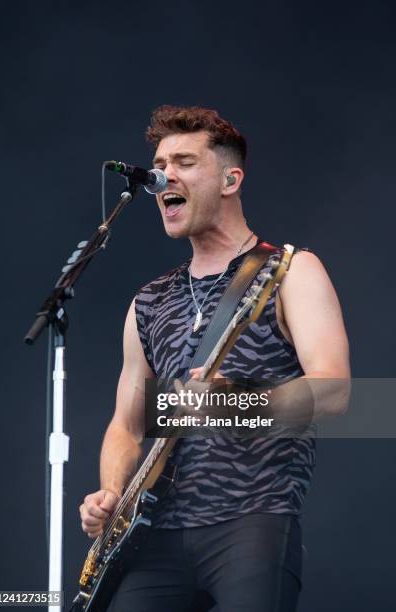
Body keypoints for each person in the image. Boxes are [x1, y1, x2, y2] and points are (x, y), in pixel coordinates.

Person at [79, 105, 350, 611]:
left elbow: (336, 391)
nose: (164, 176)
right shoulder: (149, 300)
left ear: (230, 179)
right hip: (153, 533)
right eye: (160, 163)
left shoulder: (291, 270)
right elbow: (127, 423)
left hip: (252, 519)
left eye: (184, 161)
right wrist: (111, 494)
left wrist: (239, 403)